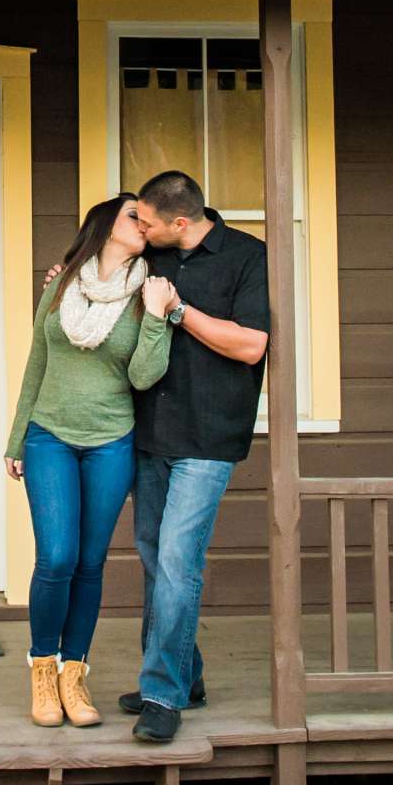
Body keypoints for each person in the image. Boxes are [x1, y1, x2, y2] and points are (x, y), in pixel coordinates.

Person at [3, 194, 176, 728]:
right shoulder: (62, 284)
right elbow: (37, 360)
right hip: (49, 435)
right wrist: (15, 438)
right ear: (105, 224)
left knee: (88, 563)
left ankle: (74, 676)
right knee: (55, 557)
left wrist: (155, 318)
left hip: (111, 441)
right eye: (134, 216)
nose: (144, 224)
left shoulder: (148, 290)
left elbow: (145, 376)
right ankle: (43, 669)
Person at [117, 170, 270, 744]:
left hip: (208, 437)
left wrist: (179, 312)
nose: (140, 227)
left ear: (179, 222)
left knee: (179, 563)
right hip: (149, 432)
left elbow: (252, 345)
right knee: (158, 563)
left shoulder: (246, 257)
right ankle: (187, 675)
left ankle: (162, 695)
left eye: (147, 221)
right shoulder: (148, 258)